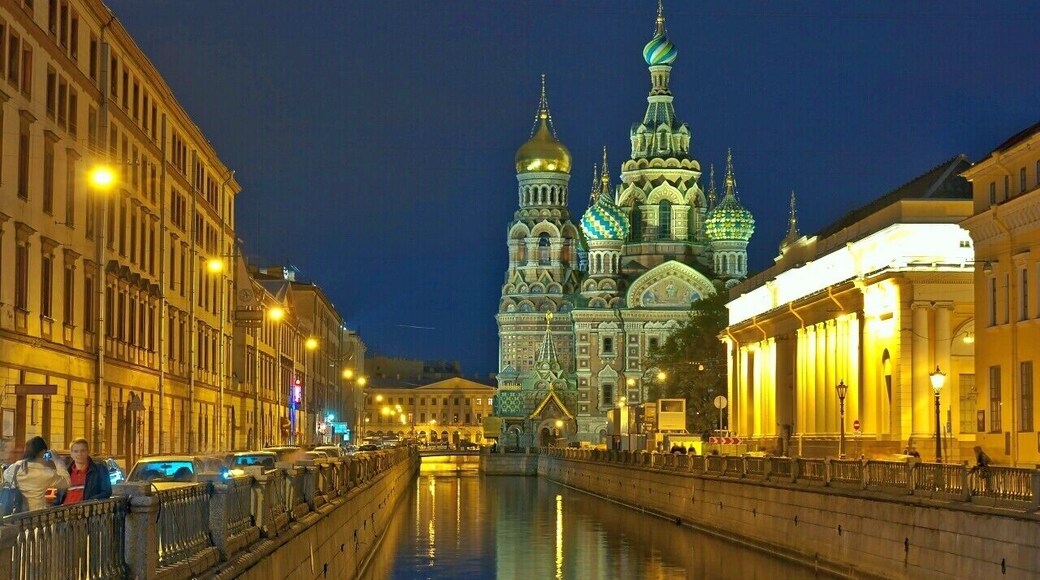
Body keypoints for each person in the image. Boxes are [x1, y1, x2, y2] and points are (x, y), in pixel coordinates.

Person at [2, 436, 70, 512]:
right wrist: (57, 460)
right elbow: (66, 482)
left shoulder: (16, 467)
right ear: (43, 452)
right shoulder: (46, 473)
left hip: (17, 512)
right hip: (36, 514)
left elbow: (6, 475)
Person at [57, 438, 112, 505]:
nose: (79, 454)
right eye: (76, 451)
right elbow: (59, 498)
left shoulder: (99, 470)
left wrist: (88, 503)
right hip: (66, 510)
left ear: (88, 452)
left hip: (86, 510)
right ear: (71, 454)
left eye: (83, 451)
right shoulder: (66, 473)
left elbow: (106, 492)